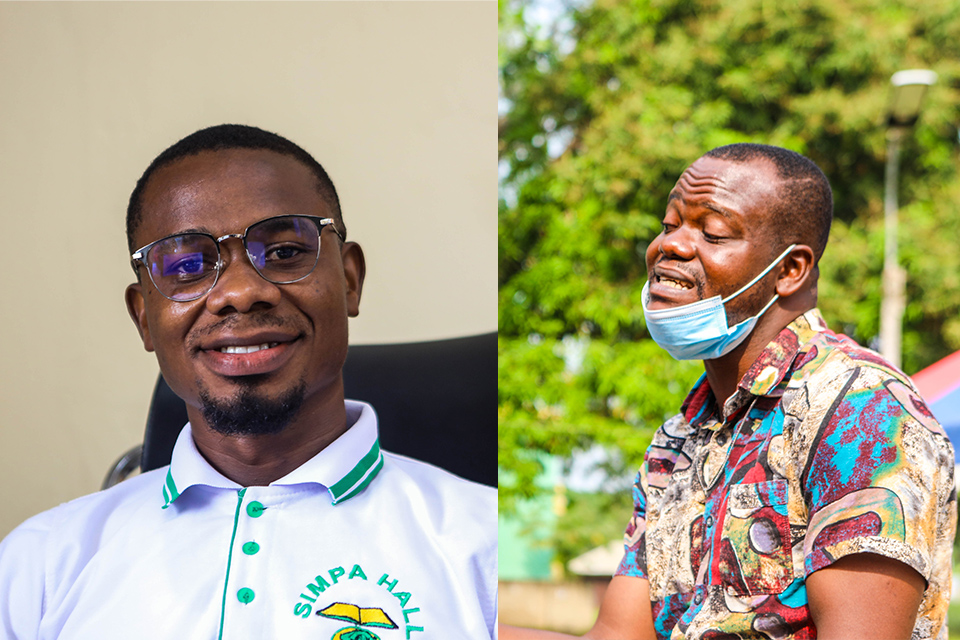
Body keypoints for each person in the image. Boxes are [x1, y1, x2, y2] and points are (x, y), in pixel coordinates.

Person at [0, 124, 497, 639]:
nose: (240, 291)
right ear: (144, 317)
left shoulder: (484, 551)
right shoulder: (39, 567)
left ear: (350, 280)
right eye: (187, 264)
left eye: (283, 252)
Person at [501, 143, 956, 640]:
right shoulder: (679, 438)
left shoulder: (861, 413)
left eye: (712, 232)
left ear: (790, 270)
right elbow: (617, 636)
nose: (671, 246)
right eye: (669, 224)